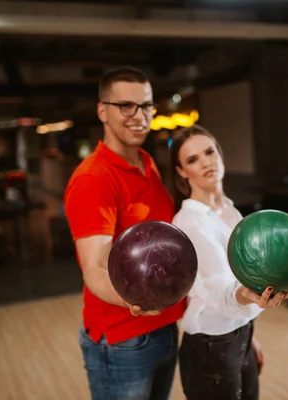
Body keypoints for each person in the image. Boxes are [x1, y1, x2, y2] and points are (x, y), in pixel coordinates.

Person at [63, 66, 185, 400]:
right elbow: (94, 268)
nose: (139, 116)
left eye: (146, 106)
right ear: (103, 111)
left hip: (164, 327)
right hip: (122, 340)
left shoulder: (147, 162)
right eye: (126, 106)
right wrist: (133, 302)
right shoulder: (94, 179)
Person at [169, 125, 288, 400]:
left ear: (220, 154)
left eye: (209, 152)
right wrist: (246, 295)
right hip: (209, 347)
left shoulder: (229, 209)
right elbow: (219, 291)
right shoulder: (189, 223)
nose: (205, 162)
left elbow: (244, 272)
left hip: (238, 334)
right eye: (192, 159)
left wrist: (247, 336)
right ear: (182, 172)